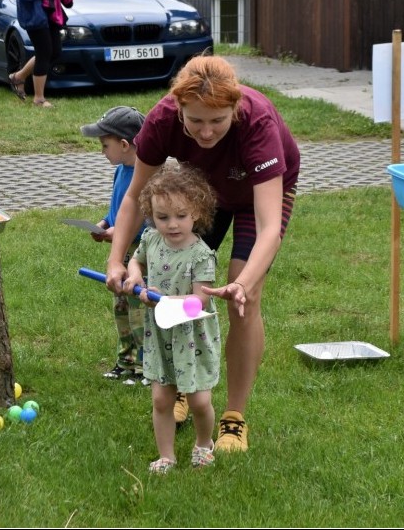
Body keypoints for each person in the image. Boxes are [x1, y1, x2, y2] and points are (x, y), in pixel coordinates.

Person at [105, 54, 301, 453]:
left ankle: (233, 417)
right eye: (195, 121)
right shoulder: (161, 120)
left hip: (255, 199)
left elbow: (268, 230)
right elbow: (134, 197)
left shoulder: (257, 122)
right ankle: (184, 386)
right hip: (203, 194)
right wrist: (118, 259)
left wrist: (241, 285)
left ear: (235, 109)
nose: (206, 132)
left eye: (217, 121)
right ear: (178, 108)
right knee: (175, 289)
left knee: (243, 302)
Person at [124, 163, 224, 473]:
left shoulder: (201, 255)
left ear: (197, 212)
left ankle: (204, 443)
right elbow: (135, 263)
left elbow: (198, 300)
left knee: (198, 402)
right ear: (151, 213)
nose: (172, 224)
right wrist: (134, 279)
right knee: (161, 400)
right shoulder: (151, 240)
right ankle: (166, 455)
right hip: (161, 334)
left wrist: (163, 299)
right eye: (162, 217)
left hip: (191, 336)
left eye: (181, 216)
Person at [79, 106, 148, 386]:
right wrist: (105, 224)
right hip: (121, 253)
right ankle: (126, 362)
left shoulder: (147, 175)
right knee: (121, 309)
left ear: (123, 144)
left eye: (104, 145)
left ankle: (146, 367)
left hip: (140, 258)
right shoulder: (120, 170)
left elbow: (145, 222)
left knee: (139, 310)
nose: (101, 151)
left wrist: (117, 234)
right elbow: (118, 209)